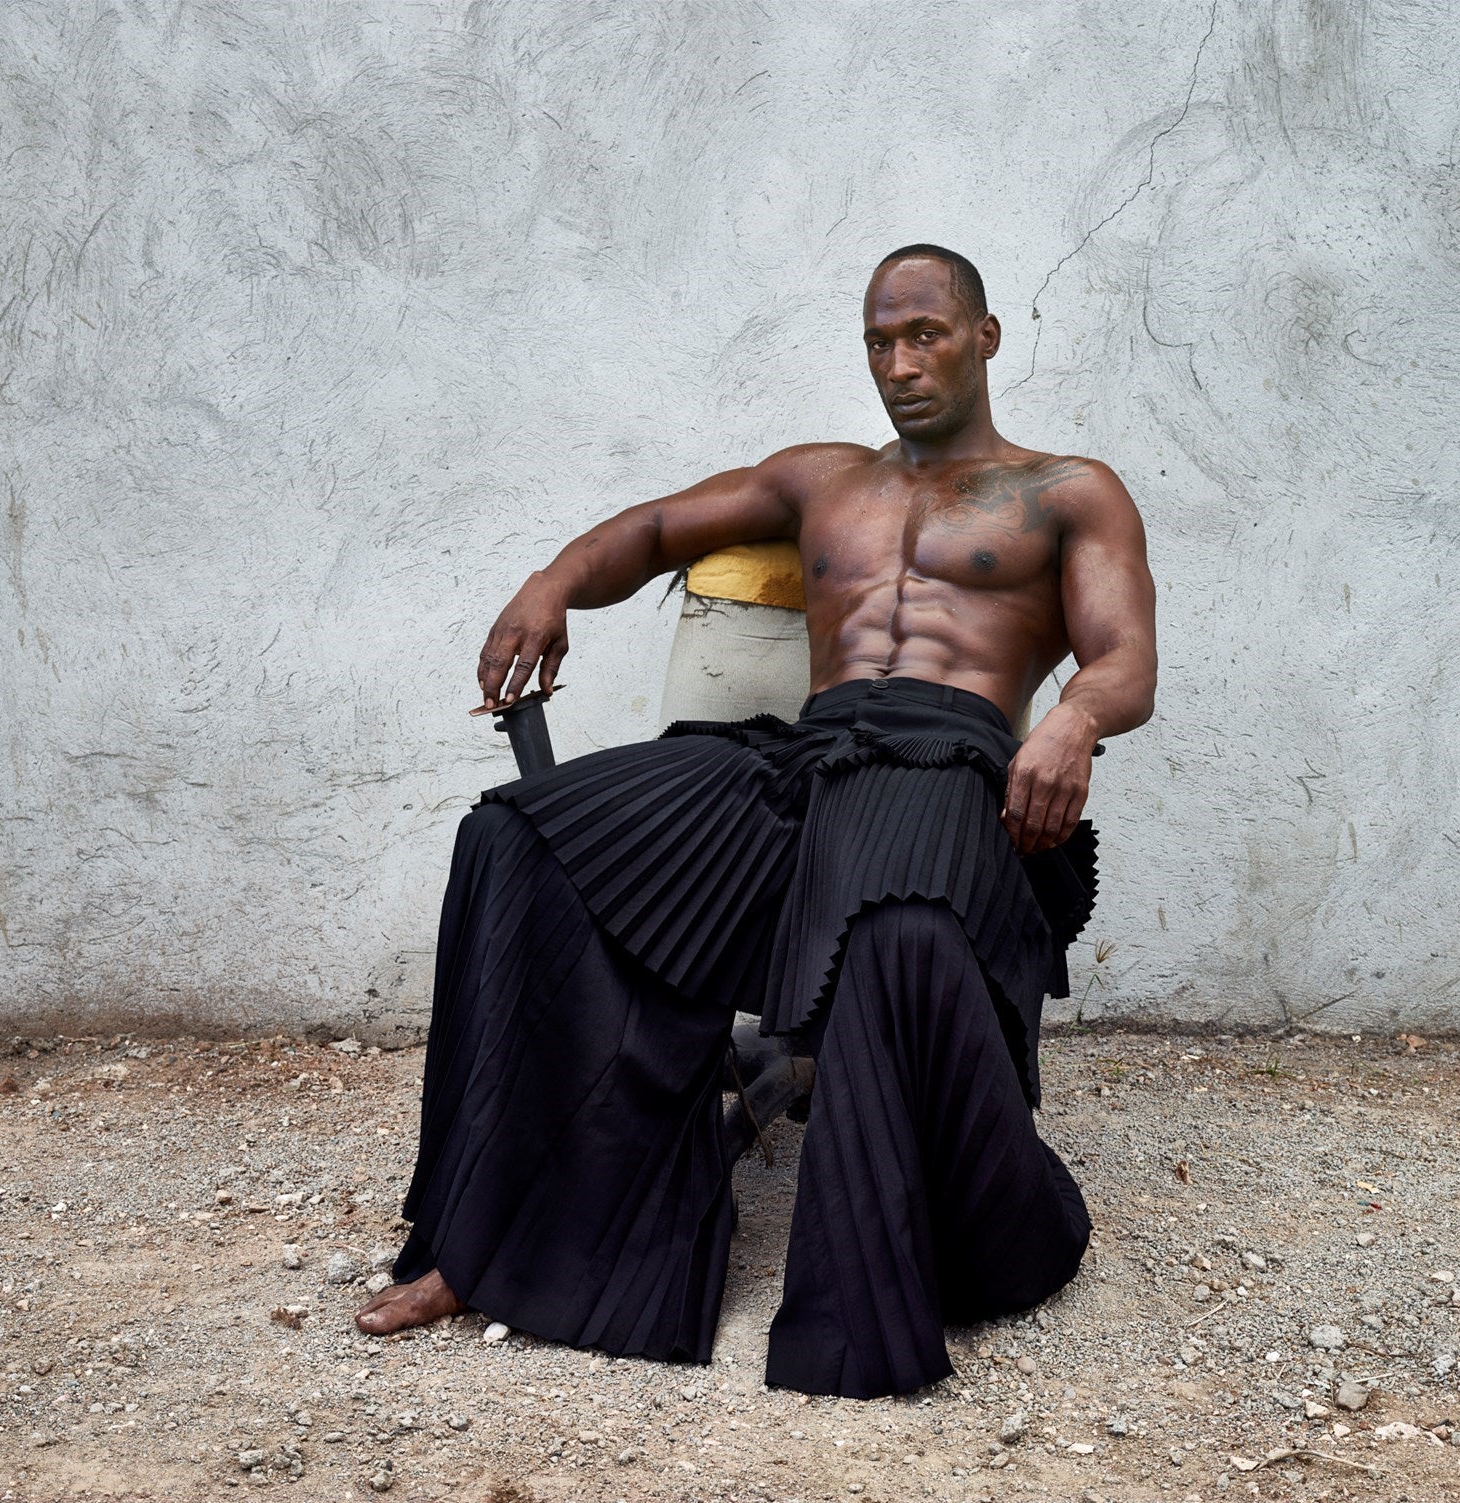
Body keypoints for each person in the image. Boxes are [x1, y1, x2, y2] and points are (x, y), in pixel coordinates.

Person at [355, 244, 1158, 1400]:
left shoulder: (1067, 491)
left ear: (983, 338)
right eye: (878, 341)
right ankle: (494, 1239)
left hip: (946, 766)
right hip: (807, 758)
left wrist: (1073, 717)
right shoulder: (820, 478)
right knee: (518, 838)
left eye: (925, 334)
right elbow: (653, 530)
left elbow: (1123, 658)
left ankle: (889, 1280)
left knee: (892, 922)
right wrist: (551, 582)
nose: (899, 363)